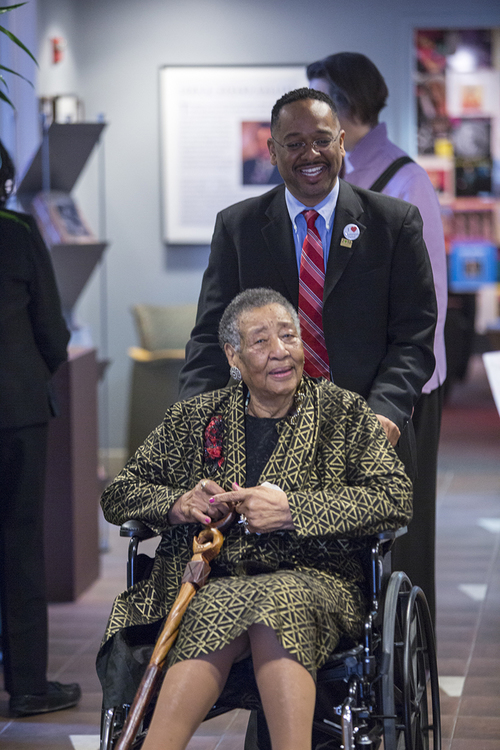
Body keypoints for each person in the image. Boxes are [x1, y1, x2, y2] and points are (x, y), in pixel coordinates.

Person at [97, 288, 412, 750]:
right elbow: (118, 494)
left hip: (316, 579)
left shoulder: (343, 414)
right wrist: (178, 504)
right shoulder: (194, 420)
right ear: (233, 355)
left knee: (278, 595)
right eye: (261, 341)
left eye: (289, 336)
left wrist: (294, 512)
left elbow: (394, 497)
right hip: (217, 581)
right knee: (220, 600)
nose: (280, 351)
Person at [178, 87, 437, 480]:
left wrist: (385, 411)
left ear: (342, 142)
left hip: (365, 435)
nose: (310, 154)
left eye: (321, 140)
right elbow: (212, 341)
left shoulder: (394, 224)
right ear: (271, 150)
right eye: (294, 143)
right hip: (262, 441)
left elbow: (413, 339)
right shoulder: (238, 228)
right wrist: (195, 423)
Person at [307, 52, 447, 625]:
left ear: (344, 106)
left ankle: (401, 662)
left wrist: (397, 396)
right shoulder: (320, 179)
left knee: (402, 536)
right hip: (327, 387)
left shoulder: (406, 181)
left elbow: (426, 304)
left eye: (318, 97)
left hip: (398, 391)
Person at [0, 141, 81, 717]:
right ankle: (27, 684)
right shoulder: (18, 230)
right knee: (20, 544)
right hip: (15, 410)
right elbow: (53, 329)